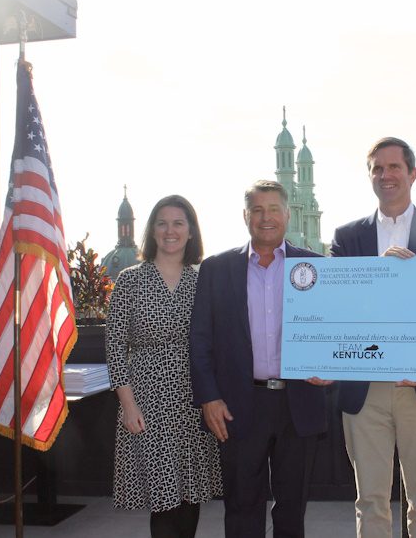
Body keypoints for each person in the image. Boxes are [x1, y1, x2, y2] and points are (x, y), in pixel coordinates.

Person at [330, 137, 416, 538]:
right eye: (377, 168)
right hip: (364, 390)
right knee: (370, 502)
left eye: (394, 167)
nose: (385, 175)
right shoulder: (347, 237)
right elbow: (337, 308)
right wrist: (380, 275)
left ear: (412, 174)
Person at [189, 180, 327, 538]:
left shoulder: (318, 267)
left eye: (274, 209)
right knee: (240, 507)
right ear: (245, 216)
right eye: (257, 210)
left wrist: (332, 368)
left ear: (288, 213)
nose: (266, 218)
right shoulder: (216, 269)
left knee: (292, 508)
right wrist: (208, 397)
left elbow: (336, 329)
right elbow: (201, 340)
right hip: (237, 404)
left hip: (298, 403)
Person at [106, 195, 222, 538]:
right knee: (163, 501)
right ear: (152, 230)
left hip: (193, 400)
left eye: (178, 223)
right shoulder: (130, 280)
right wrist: (128, 406)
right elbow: (114, 348)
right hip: (147, 403)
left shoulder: (201, 281)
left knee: (190, 499)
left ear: (190, 232)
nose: (169, 231)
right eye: (162, 223)